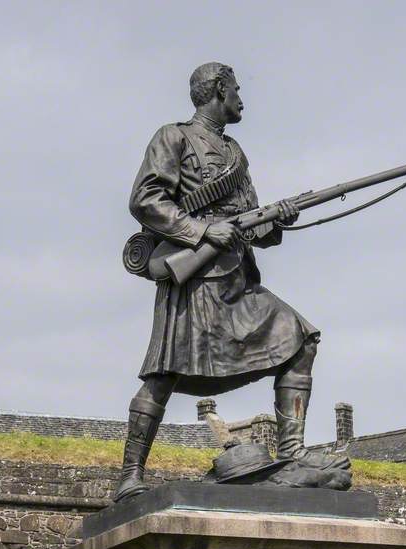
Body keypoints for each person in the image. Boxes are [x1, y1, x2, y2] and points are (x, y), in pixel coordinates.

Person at [115, 62, 348, 502]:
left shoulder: (236, 154)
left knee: (301, 339)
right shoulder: (174, 137)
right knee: (163, 378)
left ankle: (292, 450)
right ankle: (130, 474)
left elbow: (250, 221)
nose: (242, 97)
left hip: (236, 281)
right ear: (219, 90)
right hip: (195, 281)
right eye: (237, 89)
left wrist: (278, 221)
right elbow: (145, 201)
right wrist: (200, 231)